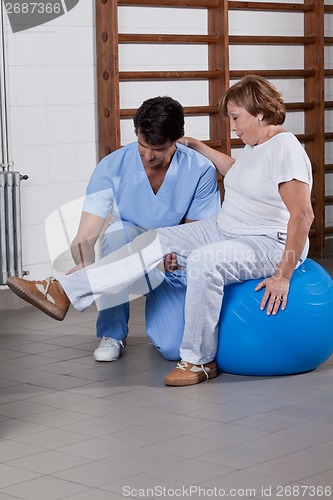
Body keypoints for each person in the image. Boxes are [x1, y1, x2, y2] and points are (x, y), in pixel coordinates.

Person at [7, 75, 314, 387]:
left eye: (236, 117)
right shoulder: (256, 146)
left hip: (266, 243)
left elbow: (302, 214)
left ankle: (198, 361)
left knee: (205, 262)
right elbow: (240, 173)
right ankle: (61, 290)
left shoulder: (283, 148)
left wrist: (284, 274)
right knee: (158, 239)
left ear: (259, 112)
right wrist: (197, 145)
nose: (233, 127)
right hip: (229, 230)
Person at [40, 96, 221, 363]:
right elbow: (86, 233)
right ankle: (112, 332)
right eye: (142, 145)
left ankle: (63, 289)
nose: (148, 155)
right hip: (126, 249)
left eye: (158, 148)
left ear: (175, 141)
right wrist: (85, 262)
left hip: (170, 258)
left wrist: (171, 256)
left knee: (173, 349)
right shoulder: (112, 166)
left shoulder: (200, 169)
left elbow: (197, 234)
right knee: (118, 233)